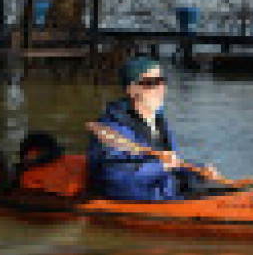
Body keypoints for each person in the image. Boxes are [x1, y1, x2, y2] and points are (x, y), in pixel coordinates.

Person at [87, 56, 218, 201]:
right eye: (151, 83)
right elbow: (114, 178)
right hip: (131, 196)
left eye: (162, 81)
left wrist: (198, 171)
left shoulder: (159, 122)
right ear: (132, 90)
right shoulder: (113, 126)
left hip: (164, 191)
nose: (160, 88)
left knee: (204, 182)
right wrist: (161, 166)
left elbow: (173, 165)